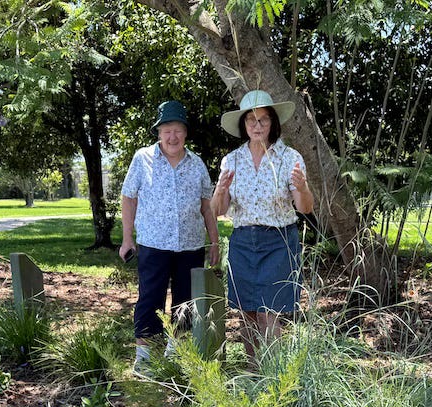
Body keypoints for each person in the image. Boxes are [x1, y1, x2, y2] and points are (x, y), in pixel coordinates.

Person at [211, 89, 314, 360]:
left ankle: (272, 375)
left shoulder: (290, 158)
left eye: (263, 120)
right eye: (251, 120)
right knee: (246, 311)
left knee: (269, 311)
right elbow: (218, 210)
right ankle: (252, 370)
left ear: (273, 123)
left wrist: (302, 187)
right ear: (243, 124)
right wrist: (220, 190)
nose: (257, 126)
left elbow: (306, 208)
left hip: (278, 241)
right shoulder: (231, 160)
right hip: (243, 241)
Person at [120, 100, 220, 373]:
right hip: (153, 243)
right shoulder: (143, 159)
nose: (172, 136)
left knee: (186, 300)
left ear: (185, 133)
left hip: (190, 244)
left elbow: (206, 206)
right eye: (167, 130)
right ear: (159, 133)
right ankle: (145, 359)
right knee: (150, 298)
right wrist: (127, 238)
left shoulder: (197, 164)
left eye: (177, 130)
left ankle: (176, 353)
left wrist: (214, 241)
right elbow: (128, 198)